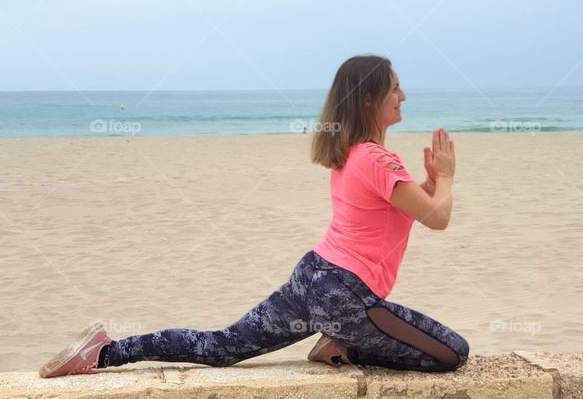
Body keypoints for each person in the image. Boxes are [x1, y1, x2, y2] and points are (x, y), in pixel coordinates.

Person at [38, 54, 468, 378]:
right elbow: (437, 218)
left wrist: (430, 188)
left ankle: (103, 352)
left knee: (222, 346)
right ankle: (344, 345)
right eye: (396, 88)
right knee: (452, 354)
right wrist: (445, 177)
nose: (404, 96)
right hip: (345, 297)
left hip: (313, 276)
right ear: (371, 98)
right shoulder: (378, 158)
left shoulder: (351, 155)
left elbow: (399, 213)